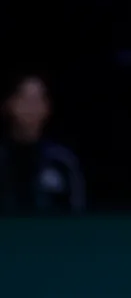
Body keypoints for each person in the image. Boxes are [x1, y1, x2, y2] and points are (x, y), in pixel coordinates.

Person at [0, 71, 84, 213]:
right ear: (8, 104)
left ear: (47, 108)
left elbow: (78, 212)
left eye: (38, 99)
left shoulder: (62, 162)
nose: (32, 107)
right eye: (25, 99)